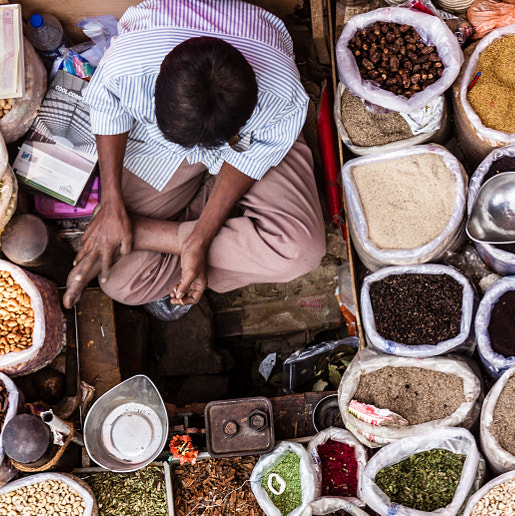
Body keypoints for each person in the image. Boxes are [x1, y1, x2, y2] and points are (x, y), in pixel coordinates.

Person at [63, 0, 326, 315]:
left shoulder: (282, 93)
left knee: (300, 252)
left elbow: (251, 157)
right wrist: (111, 203)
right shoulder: (130, 64)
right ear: (156, 87)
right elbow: (107, 109)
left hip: (249, 144)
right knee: (122, 283)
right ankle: (220, 229)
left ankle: (161, 234)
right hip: (166, 146)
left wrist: (197, 238)